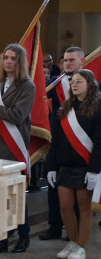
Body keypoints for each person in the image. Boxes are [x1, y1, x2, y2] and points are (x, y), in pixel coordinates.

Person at [0, 43, 35, 254]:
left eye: (13, 58)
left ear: (20, 61)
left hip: (12, 146)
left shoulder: (27, 86)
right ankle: (1, 239)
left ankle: (24, 236)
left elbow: (17, 115)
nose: (9, 62)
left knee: (16, 195)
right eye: (6, 58)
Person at [47, 69, 100, 259]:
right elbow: (56, 140)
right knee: (65, 207)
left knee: (84, 208)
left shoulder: (98, 107)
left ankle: (81, 247)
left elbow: (99, 141)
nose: (74, 85)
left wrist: (94, 170)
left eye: (79, 81)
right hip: (65, 166)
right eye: (72, 82)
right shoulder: (65, 107)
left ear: (89, 84)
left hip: (86, 167)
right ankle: (72, 241)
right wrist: (51, 167)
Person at [41, 47, 86, 241]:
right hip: (58, 139)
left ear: (82, 62)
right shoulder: (55, 83)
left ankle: (72, 231)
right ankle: (54, 227)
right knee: (54, 188)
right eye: (65, 60)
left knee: (77, 191)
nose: (67, 63)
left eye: (72, 60)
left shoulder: (92, 85)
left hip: (80, 141)